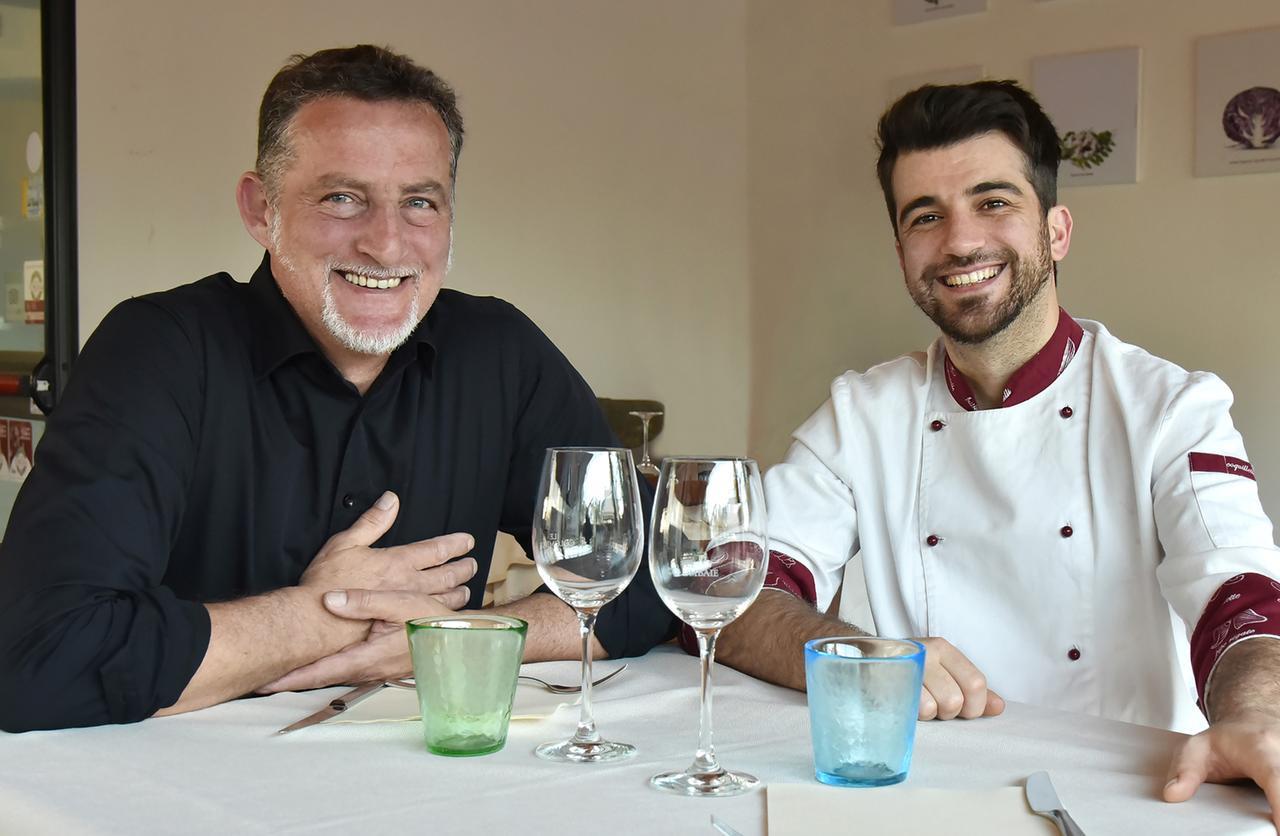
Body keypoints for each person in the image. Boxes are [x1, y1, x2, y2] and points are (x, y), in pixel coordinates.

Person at [0, 45, 674, 732]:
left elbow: (653, 579)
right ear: (260, 210)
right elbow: (38, 661)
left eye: (419, 202)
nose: (386, 245)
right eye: (342, 199)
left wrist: (440, 640)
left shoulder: (498, 353)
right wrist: (319, 617)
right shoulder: (160, 352)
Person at [715, 81, 1280, 824]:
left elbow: (1239, 598)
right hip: (916, 791)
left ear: (1057, 229)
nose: (959, 242)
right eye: (926, 216)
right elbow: (737, 589)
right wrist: (852, 654)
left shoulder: (1172, 407)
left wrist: (1255, 716)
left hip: (1123, 794)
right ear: (900, 252)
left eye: (994, 202)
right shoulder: (862, 414)